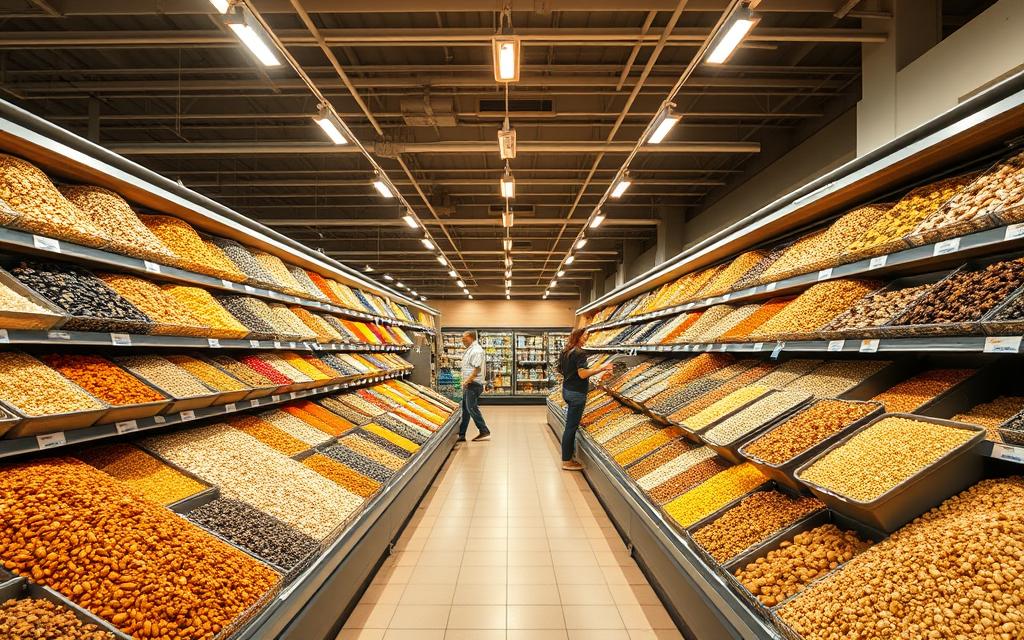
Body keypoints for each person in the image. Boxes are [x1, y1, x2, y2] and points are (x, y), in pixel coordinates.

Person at [558, 328, 612, 470]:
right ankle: (567, 461)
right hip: (577, 393)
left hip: (567, 390)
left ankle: (569, 455)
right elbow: (582, 374)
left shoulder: (566, 352)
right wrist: (601, 368)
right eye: (585, 335)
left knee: (570, 426)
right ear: (578, 336)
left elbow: (560, 370)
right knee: (571, 427)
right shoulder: (579, 353)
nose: (587, 337)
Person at [457, 329, 491, 443]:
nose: (462, 341)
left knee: (471, 408)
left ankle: (484, 431)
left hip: (473, 384)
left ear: (471, 337)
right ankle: (461, 434)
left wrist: (467, 381)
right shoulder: (470, 349)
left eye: (464, 338)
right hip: (469, 383)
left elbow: (477, 369)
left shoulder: (476, 350)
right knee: (466, 409)